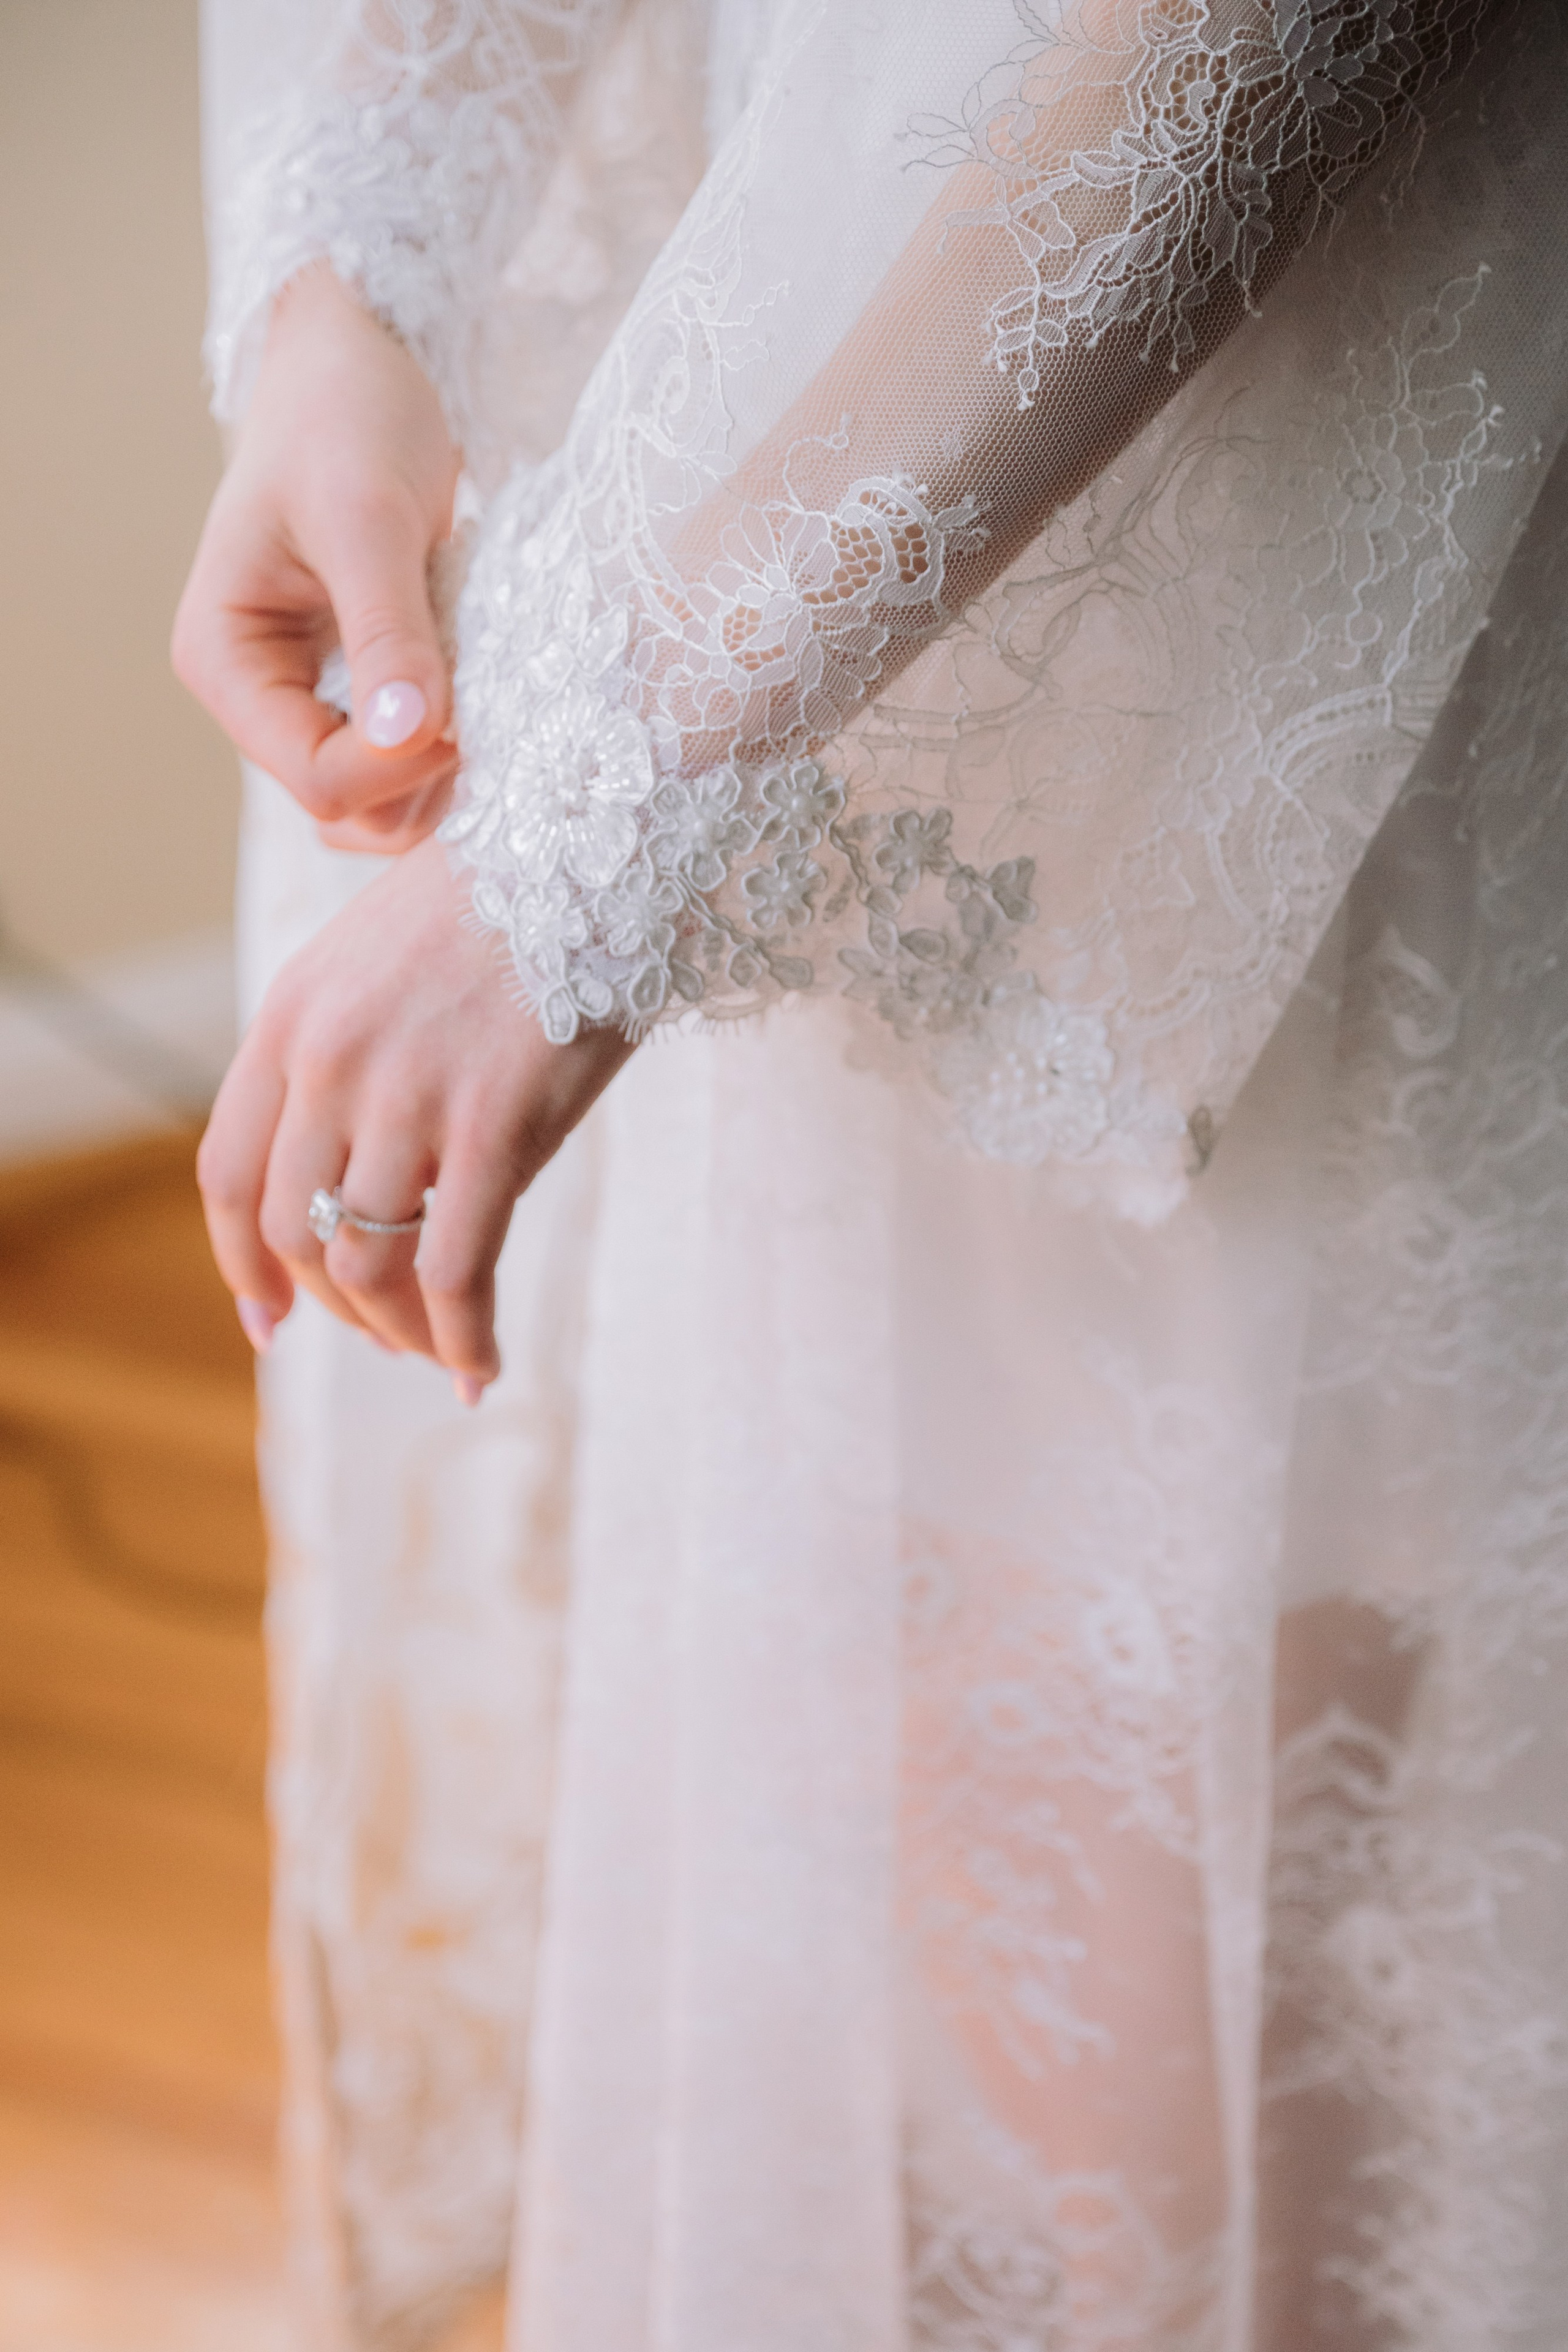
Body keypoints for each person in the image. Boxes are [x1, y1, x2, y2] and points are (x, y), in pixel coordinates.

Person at [176, 3, 1568, 2345]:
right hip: (751, 369)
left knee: (1248, 1861)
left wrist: (611, 813)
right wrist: (356, 287)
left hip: (1259, 421)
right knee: (914, 1836)